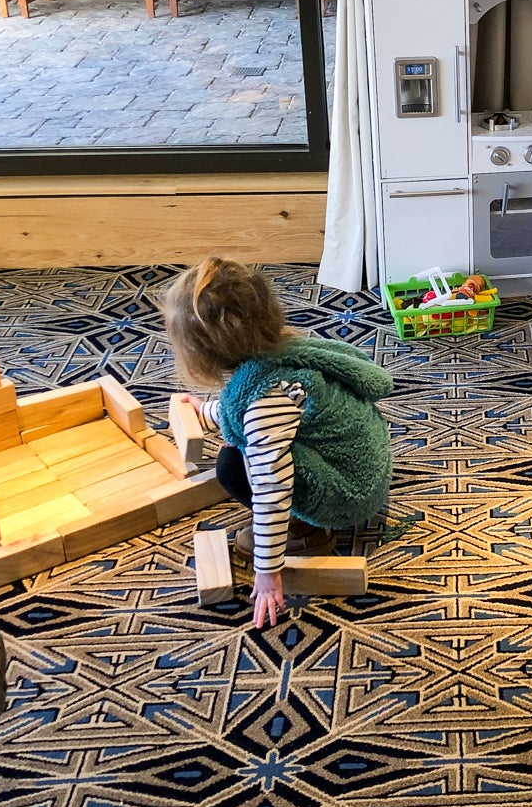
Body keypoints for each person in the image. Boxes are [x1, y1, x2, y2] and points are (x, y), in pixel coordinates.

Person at [163, 257, 394, 628]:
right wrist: (205, 411)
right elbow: (251, 408)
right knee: (246, 446)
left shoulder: (267, 395)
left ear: (204, 352)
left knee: (232, 466)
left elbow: (272, 483)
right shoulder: (281, 351)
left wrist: (268, 571)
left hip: (349, 492)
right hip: (362, 461)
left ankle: (306, 533)